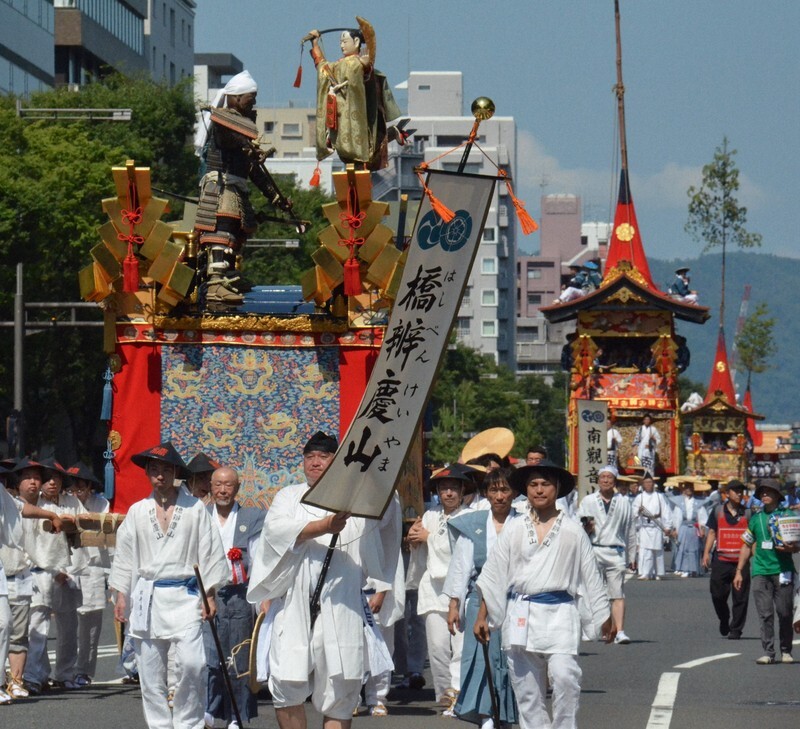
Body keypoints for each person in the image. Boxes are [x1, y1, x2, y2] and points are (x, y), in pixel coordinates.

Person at [246, 430, 397, 729]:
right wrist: (325, 525)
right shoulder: (288, 496)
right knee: (286, 681)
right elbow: (276, 532)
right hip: (294, 600)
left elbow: (384, 523)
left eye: (323, 457)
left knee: (341, 687)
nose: (315, 462)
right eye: (310, 457)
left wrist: (376, 478)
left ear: (337, 461)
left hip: (342, 602)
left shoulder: (357, 498)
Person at [474, 459, 613, 729]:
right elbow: (495, 574)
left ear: (557, 488)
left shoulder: (573, 531)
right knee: (526, 690)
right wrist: (482, 616)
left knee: (565, 678)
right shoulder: (514, 527)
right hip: (521, 612)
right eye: (533, 484)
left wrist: (603, 615)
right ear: (526, 490)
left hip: (561, 613)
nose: (539, 490)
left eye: (545, 484)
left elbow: (591, 576)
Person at [109, 441, 228, 729]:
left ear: (175, 472)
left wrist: (209, 594)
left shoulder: (194, 508)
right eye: (154, 469)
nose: (160, 475)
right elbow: (124, 554)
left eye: (165, 469)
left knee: (192, 663)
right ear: (147, 472)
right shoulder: (138, 511)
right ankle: (160, 725)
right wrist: (122, 594)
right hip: (147, 597)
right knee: (150, 672)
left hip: (185, 595)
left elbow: (209, 550)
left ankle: (188, 723)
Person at [194, 70, 296, 306]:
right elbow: (235, 138)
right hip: (221, 185)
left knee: (239, 230)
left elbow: (254, 170)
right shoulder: (223, 121)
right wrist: (249, 146)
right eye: (251, 98)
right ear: (236, 97)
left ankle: (229, 274)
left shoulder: (240, 127)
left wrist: (276, 197)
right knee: (222, 229)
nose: (254, 103)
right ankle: (215, 283)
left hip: (235, 186)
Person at [444, 469, 519, 728]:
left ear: (514, 493)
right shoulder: (473, 524)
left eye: (505, 490)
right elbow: (461, 567)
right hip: (479, 599)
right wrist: (454, 604)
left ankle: (505, 715)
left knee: (510, 660)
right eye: (494, 490)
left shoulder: (523, 523)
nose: (499, 496)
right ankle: (486, 716)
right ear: (485, 494)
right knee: (480, 660)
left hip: (515, 601)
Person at [407, 463, 477, 715]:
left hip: (459, 586)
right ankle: (446, 692)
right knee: (437, 646)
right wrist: (414, 538)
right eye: (443, 488)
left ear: (462, 491)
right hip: (434, 587)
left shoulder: (470, 516)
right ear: (437, 492)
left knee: (459, 646)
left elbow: (460, 548)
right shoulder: (430, 515)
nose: (448, 493)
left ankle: (459, 693)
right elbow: (420, 545)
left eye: (453, 488)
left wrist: (428, 538)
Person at [203, 466, 265, 729]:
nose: (222, 490)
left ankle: (236, 716)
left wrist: (262, 597)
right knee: (208, 657)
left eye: (228, 485)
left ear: (237, 488)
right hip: (207, 593)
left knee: (238, 658)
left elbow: (259, 558)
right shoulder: (200, 515)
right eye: (218, 484)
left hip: (239, 594)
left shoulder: (252, 517)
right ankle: (207, 710)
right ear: (210, 486)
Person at [0, 463, 66, 704]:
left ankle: (15, 681)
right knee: (5, 625)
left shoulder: (5, 497)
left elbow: (22, 508)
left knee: (13, 628)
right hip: (6, 573)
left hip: (19, 574)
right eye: (26, 477)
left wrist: (51, 515)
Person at [24, 457, 84, 692]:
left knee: (68, 627)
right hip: (42, 570)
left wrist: (74, 521)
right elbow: (29, 543)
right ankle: (36, 675)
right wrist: (52, 569)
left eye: (56, 478)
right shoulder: (36, 505)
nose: (52, 483)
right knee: (38, 626)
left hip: (70, 570)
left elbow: (85, 528)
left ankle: (64, 673)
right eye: (47, 479)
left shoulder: (72, 502)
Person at [308, 24, 404, 169]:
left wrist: (366, 67)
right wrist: (315, 43)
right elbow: (322, 67)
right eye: (340, 42)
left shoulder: (359, 63)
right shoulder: (337, 65)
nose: (342, 45)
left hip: (358, 114)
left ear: (357, 42)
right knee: (343, 148)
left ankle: (390, 134)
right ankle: (391, 134)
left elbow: (367, 77)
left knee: (364, 149)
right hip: (340, 114)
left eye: (345, 41)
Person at [733, 478, 799, 664]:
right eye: (762, 492)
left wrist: (792, 548)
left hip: (783, 570)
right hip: (760, 571)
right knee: (765, 613)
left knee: (784, 612)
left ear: (777, 495)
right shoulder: (755, 519)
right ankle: (768, 652)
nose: (764, 495)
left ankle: (786, 650)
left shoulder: (788, 515)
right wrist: (739, 571)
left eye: (768, 491)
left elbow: (797, 544)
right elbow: (746, 545)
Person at [577, 465, 636, 644]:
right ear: (598, 480)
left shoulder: (624, 502)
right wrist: (586, 528)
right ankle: (591, 629)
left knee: (617, 593)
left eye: (609, 477)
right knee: (591, 591)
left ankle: (620, 631)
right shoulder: (588, 501)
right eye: (602, 477)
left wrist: (632, 556)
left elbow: (630, 530)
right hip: (594, 549)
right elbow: (578, 526)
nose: (605, 480)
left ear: (615, 481)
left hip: (616, 551)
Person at [66, 462, 110, 687]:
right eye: (73, 488)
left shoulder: (101, 504)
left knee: (91, 626)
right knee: (66, 625)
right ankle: (62, 672)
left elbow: (108, 535)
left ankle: (83, 671)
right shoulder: (64, 503)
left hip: (93, 567)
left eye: (81, 487)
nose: (77, 492)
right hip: (67, 566)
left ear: (90, 487)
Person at [702, 479, 751, 640]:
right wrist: (706, 553)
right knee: (717, 595)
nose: (739, 494)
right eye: (735, 491)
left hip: (741, 562)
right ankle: (724, 617)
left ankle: (736, 629)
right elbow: (711, 533)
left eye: (741, 491)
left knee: (741, 598)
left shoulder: (748, 513)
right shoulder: (718, 511)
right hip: (721, 560)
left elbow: (753, 537)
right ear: (727, 493)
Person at [632, 473, 672, 580]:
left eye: (650, 482)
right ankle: (645, 573)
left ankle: (658, 572)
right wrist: (638, 512)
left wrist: (667, 526)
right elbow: (633, 512)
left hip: (657, 526)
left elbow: (666, 511)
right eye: (646, 482)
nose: (648, 484)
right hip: (645, 527)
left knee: (657, 550)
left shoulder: (659, 496)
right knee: (645, 550)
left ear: (653, 484)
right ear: (643, 484)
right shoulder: (639, 497)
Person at [669, 482, 708, 577]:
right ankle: (684, 568)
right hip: (683, 528)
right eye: (687, 488)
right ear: (684, 489)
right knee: (683, 548)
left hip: (694, 528)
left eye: (690, 488)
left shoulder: (698, 502)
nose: (689, 490)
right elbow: (677, 517)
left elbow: (702, 517)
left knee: (694, 548)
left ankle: (694, 569)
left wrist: (702, 528)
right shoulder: (680, 502)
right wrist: (675, 529)